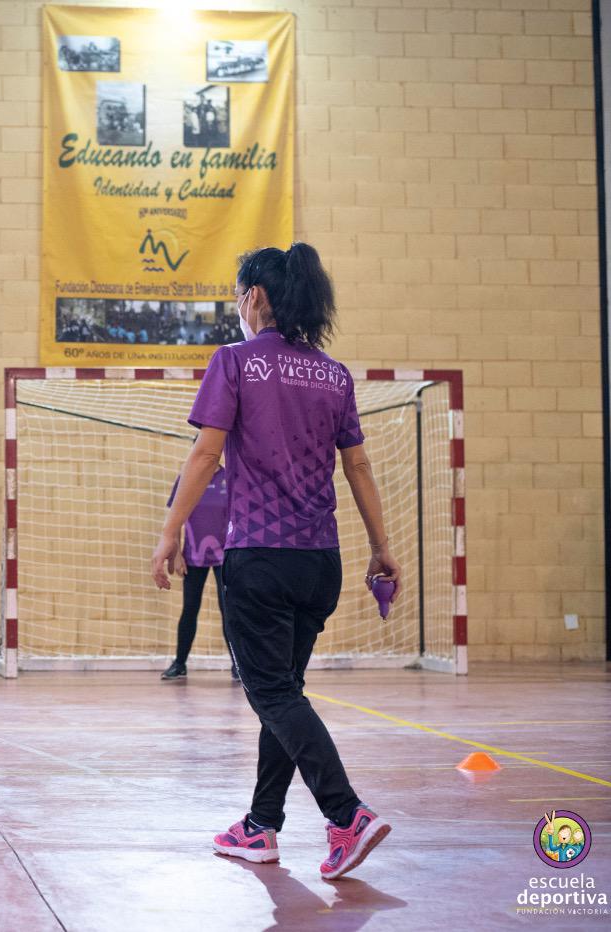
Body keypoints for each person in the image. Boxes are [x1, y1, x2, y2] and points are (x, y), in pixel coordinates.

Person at [151, 242, 400, 881]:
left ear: (255, 297)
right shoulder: (335, 375)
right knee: (281, 695)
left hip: (260, 559)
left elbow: (205, 457)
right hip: (322, 562)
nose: (237, 305)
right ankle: (261, 827)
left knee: (271, 693)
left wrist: (170, 531)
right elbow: (360, 466)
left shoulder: (234, 362)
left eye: (238, 294)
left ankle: (346, 815)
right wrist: (382, 546)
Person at [159, 463, 235, 681]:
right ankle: (180, 663)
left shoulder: (229, 477)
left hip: (225, 556)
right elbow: (176, 520)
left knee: (229, 610)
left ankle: (238, 666)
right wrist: (177, 554)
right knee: (189, 609)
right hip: (194, 555)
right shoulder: (186, 479)